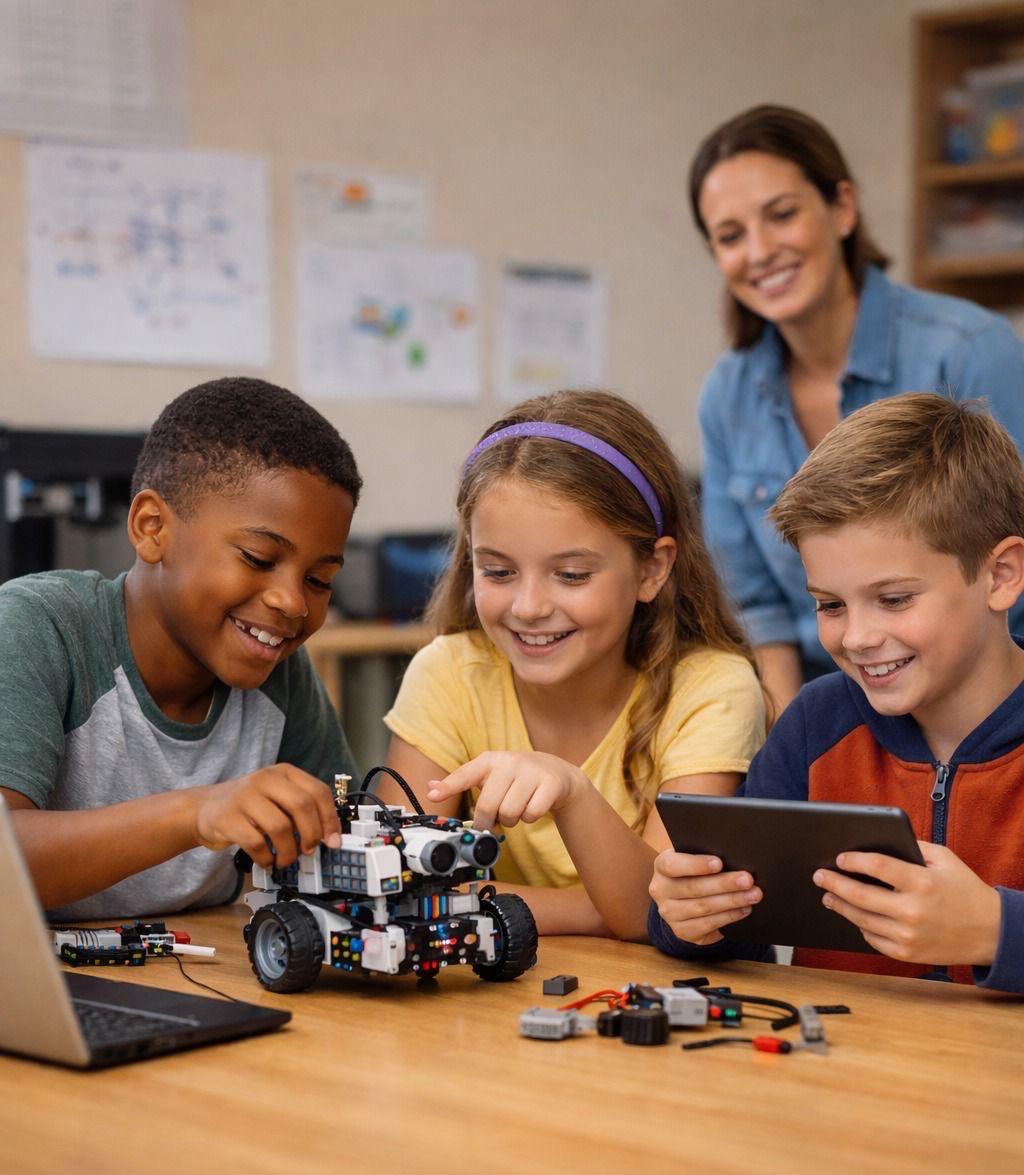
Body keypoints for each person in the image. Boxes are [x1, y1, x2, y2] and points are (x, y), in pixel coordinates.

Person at [650, 393, 1024, 993]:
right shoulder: (816, 724)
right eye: (829, 605)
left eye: (894, 599)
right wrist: (689, 916)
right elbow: (735, 931)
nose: (857, 637)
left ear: (1001, 575)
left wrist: (995, 931)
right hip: (837, 1072)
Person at [379, 389, 766, 939]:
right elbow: (397, 888)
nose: (529, 607)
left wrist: (572, 792)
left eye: (572, 575)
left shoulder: (712, 689)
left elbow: (659, 918)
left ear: (653, 570)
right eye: (498, 571)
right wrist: (594, 909)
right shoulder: (448, 672)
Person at [691, 103, 1024, 714]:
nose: (760, 251)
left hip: (978, 699)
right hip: (826, 698)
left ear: (842, 208)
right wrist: (797, 742)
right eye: (731, 236)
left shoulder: (970, 352)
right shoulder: (727, 394)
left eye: (782, 215)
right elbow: (755, 607)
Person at [0, 377, 362, 921]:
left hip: (186, 977)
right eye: (259, 558)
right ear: (152, 528)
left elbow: (348, 842)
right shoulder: (39, 627)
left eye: (319, 579)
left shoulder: (279, 674)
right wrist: (197, 812)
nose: (291, 602)